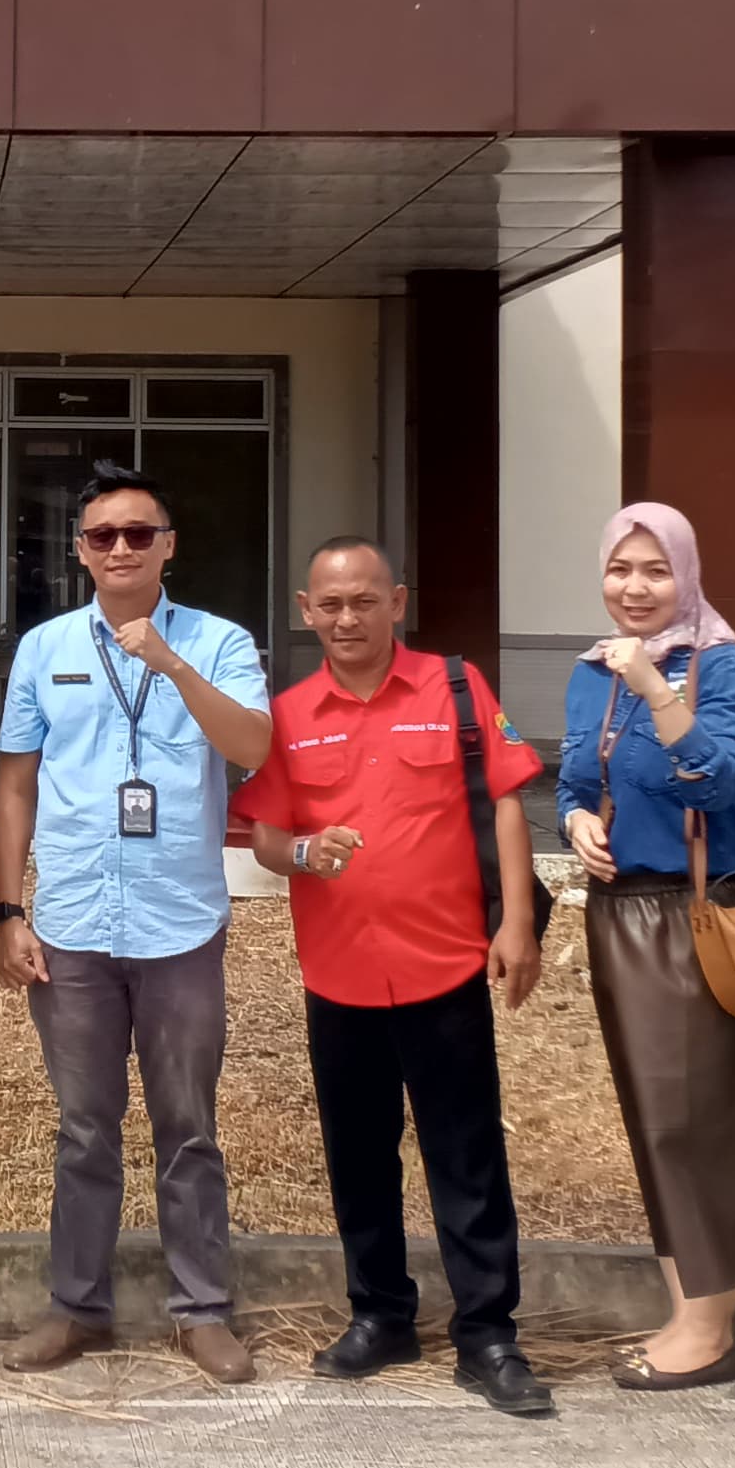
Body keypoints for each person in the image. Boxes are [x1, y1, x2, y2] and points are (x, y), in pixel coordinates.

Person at [231, 534, 554, 1419]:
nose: (346, 619)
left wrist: (518, 921)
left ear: (397, 601)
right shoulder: (288, 714)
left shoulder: (454, 690)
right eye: (329, 605)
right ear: (306, 612)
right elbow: (262, 833)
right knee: (359, 1159)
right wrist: (302, 850)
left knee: (467, 1157)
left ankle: (488, 1334)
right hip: (340, 978)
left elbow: (507, 801)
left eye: (364, 601)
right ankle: (381, 1315)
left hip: (446, 966)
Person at [0, 464, 273, 1384]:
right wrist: (7, 909)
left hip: (179, 921)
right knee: (84, 1128)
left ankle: (201, 1309)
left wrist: (171, 664)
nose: (120, 549)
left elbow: (251, 748)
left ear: (168, 546)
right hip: (71, 922)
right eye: (102, 536)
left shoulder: (221, 644)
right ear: (80, 550)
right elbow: (16, 784)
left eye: (138, 534)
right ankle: (78, 1307)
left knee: (188, 1125)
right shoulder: (46, 647)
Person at [557, 500, 735, 1390]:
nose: (635, 589)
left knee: (696, 1121)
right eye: (620, 569)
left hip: (694, 916)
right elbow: (574, 769)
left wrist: (653, 687)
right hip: (618, 914)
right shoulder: (588, 670)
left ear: (687, 576)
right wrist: (573, 819)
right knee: (653, 1120)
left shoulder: (722, 665)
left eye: (655, 571)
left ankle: (710, 1327)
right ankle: (687, 1311)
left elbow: (722, 781)